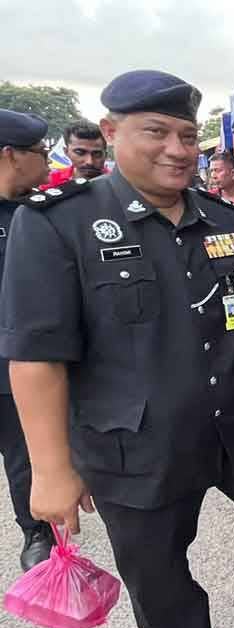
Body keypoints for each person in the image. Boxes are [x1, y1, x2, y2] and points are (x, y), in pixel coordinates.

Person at [0, 70, 234, 628]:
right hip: (134, 439)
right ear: (112, 132)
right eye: (157, 132)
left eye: (188, 136)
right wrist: (50, 470)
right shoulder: (56, 222)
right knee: (156, 562)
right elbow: (37, 357)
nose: (177, 149)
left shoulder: (222, 221)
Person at [0, 109, 57, 572]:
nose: (47, 160)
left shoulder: (43, 212)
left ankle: (37, 529)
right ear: (10, 157)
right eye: (41, 153)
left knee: (26, 449)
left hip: (33, 354)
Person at [39, 119, 108, 190]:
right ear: (66, 152)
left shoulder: (117, 184)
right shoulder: (50, 181)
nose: (89, 162)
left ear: (105, 155)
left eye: (97, 154)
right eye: (80, 152)